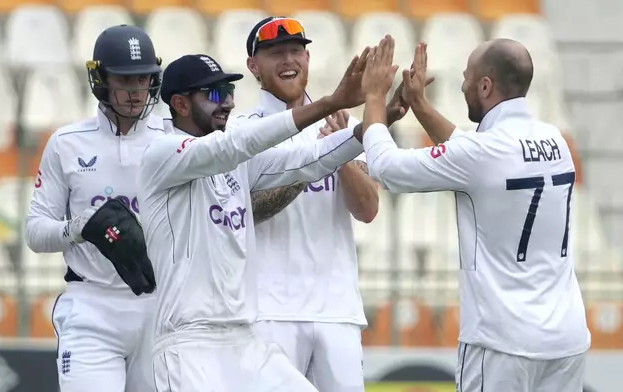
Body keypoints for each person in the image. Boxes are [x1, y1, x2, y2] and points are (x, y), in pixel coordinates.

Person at [357, 36, 590, 391]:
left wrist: (374, 98)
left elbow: (384, 167)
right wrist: (419, 105)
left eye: (466, 78)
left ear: (485, 85)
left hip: (502, 343)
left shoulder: (482, 155)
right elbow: (474, 155)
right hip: (566, 340)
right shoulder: (554, 138)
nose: (462, 85)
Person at [137, 50, 379, 391]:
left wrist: (376, 123)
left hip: (245, 339)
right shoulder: (161, 154)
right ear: (180, 103)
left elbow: (309, 158)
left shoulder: (235, 161)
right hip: (189, 342)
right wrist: (328, 103)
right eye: (215, 94)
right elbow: (235, 145)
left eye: (229, 92)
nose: (228, 103)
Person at [232, 17, 411, 391]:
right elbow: (249, 211)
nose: (288, 60)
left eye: (296, 51)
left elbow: (367, 209)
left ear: (308, 59)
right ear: (253, 66)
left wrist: (340, 154)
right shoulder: (241, 130)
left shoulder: (339, 125)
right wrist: (319, 159)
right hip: (268, 311)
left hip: (336, 310)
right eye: (275, 53)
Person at [25, 24, 164, 392]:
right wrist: (81, 226)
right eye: (124, 79)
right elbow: (35, 232)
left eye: (143, 80)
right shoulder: (66, 143)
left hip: (161, 310)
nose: (135, 92)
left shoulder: (174, 139)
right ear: (100, 78)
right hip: (92, 309)